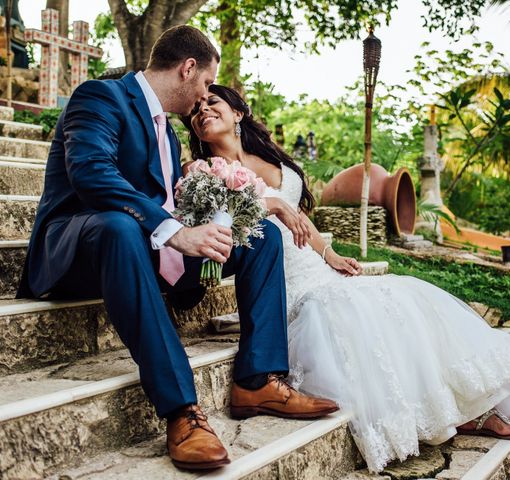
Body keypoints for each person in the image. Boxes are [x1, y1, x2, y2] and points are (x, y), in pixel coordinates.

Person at [184, 84, 510, 479]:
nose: (202, 110)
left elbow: (302, 220)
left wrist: (331, 253)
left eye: (212, 102)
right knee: (349, 317)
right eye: (195, 109)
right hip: (285, 286)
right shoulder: (200, 174)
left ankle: (473, 408)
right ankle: (461, 416)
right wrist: (269, 206)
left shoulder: (273, 163)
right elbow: (225, 229)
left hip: (315, 267)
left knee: (408, 295)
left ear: (239, 113)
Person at [16, 26, 337, 472]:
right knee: (120, 227)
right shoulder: (100, 97)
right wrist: (175, 231)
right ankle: (182, 410)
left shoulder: (167, 136)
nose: (204, 96)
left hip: (144, 250)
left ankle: (257, 380)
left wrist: (209, 228)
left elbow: (175, 205)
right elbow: (90, 174)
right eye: (206, 83)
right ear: (188, 69)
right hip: (78, 249)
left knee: (256, 236)